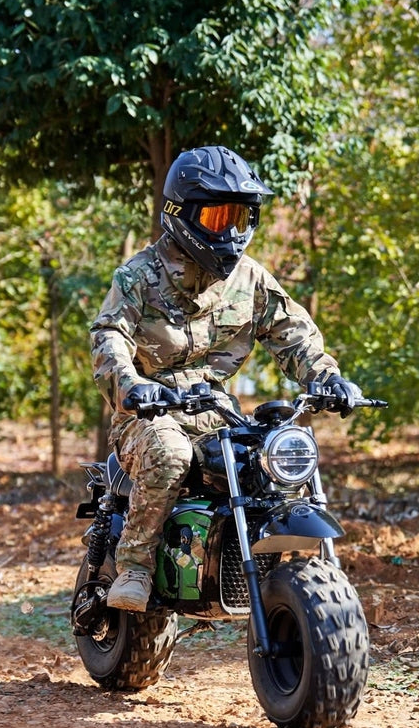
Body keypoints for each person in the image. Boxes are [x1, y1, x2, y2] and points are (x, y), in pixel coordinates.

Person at [90, 145, 362, 611]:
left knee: (278, 448)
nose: (232, 233)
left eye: (242, 218)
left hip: (216, 412)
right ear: (182, 214)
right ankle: (134, 566)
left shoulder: (250, 279)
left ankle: (258, 565)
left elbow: (293, 334)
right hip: (147, 415)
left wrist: (327, 378)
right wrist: (131, 386)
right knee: (169, 448)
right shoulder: (138, 276)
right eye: (219, 220)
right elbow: (108, 336)